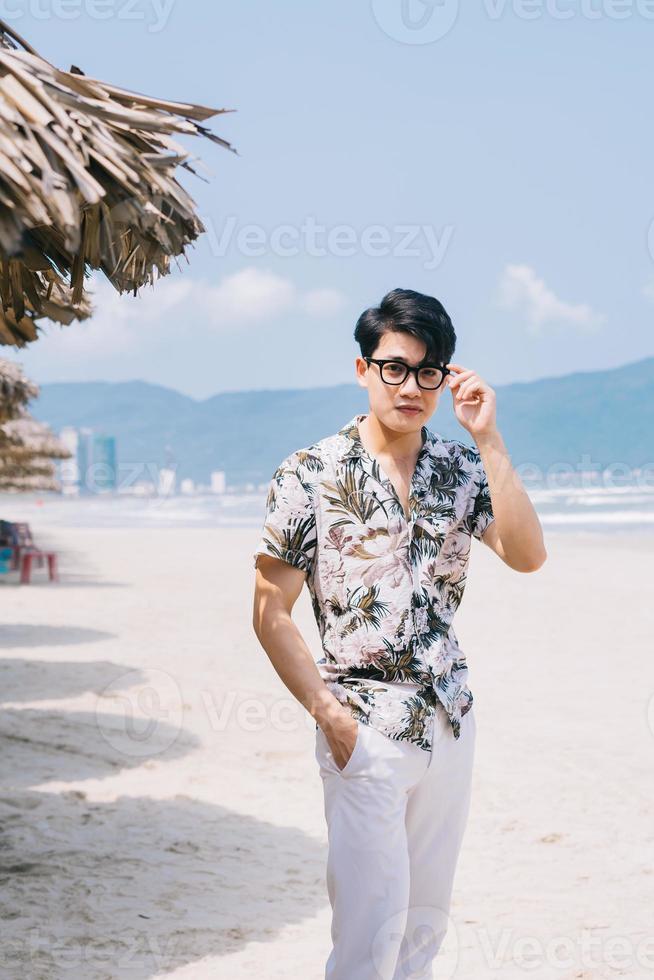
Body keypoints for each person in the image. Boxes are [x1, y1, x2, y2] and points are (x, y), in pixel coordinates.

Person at [252, 287, 546, 979]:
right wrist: (330, 717)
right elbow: (269, 610)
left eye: (427, 370)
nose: (410, 385)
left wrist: (489, 437)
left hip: (450, 717)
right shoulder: (311, 472)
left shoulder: (460, 466)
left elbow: (528, 555)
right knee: (368, 935)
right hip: (363, 725)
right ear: (363, 370)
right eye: (394, 367)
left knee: (422, 930)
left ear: (445, 378)